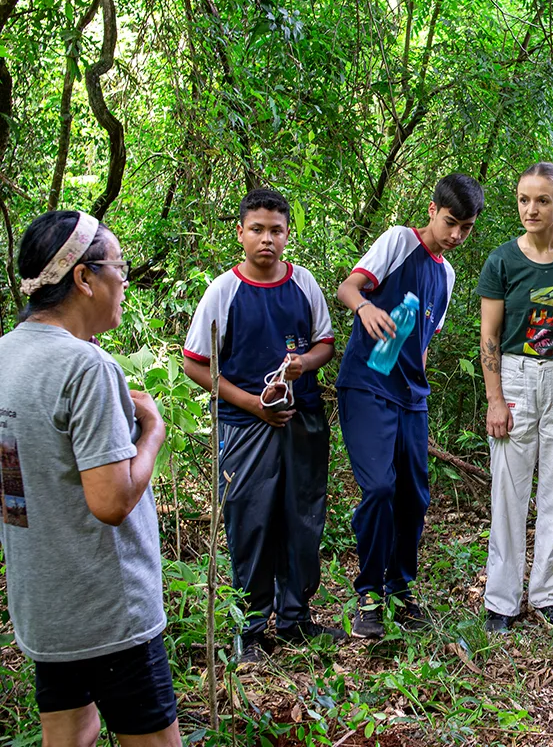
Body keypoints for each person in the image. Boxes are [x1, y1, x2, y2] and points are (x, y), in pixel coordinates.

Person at [0, 211, 179, 746]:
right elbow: (112, 501)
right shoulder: (87, 368)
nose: (124, 280)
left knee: (71, 731)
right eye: (119, 267)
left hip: (44, 608)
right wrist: (152, 431)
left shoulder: (6, 355)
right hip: (109, 612)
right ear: (84, 277)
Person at [183, 188, 341, 661]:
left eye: (276, 230)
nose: (267, 239)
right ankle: (248, 631)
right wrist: (253, 404)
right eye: (257, 229)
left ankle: (295, 618)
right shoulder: (223, 291)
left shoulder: (303, 283)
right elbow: (196, 364)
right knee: (250, 522)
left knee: (303, 517)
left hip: (302, 419)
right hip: (245, 425)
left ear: (288, 234)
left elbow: (325, 344)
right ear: (241, 233)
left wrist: (302, 364)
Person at [336, 173, 484, 639]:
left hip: (410, 397)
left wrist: (416, 387)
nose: (456, 235)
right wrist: (365, 308)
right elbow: (348, 287)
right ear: (433, 210)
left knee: (415, 497)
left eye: (466, 228)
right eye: (450, 222)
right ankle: (369, 595)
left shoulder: (447, 274)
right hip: (367, 385)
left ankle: (400, 590)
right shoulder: (399, 242)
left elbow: (422, 343)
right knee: (380, 487)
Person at [477, 163, 553, 634]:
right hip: (515, 377)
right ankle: (501, 602)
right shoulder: (502, 261)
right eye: (524, 199)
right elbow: (489, 336)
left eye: (542, 200)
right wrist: (495, 399)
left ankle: (550, 596)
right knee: (508, 493)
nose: (531, 209)